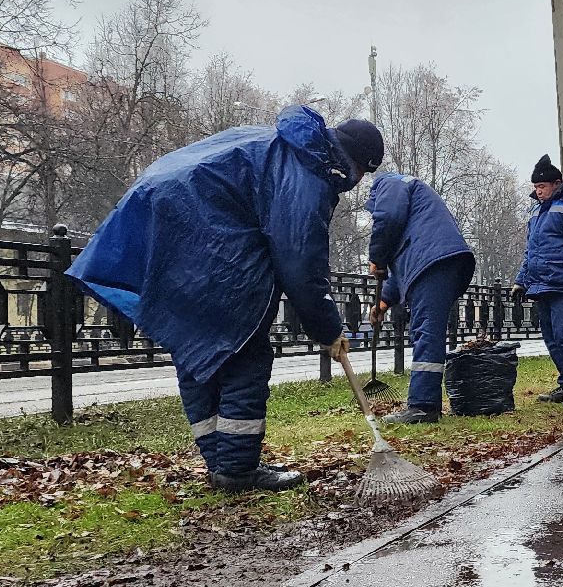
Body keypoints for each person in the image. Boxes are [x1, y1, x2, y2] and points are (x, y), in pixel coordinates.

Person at [69, 106, 383, 493]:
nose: (357, 182)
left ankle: (222, 463)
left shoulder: (275, 143)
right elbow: (300, 259)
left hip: (168, 236)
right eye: (363, 174)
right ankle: (236, 469)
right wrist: (328, 328)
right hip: (212, 249)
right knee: (244, 357)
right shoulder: (308, 170)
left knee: (198, 354)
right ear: (356, 164)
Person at [365, 172, 475, 424]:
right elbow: (403, 270)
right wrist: (382, 303)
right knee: (425, 331)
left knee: (426, 332)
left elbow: (387, 217)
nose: (373, 215)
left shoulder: (388, 183)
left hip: (435, 263)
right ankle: (426, 404)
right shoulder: (414, 223)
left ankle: (422, 406)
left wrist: (377, 257)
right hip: (435, 263)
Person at [511, 155, 563, 407]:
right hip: (542, 284)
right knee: (551, 337)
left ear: (556, 184)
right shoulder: (537, 212)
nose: (538, 192)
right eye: (535, 188)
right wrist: (521, 280)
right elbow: (532, 251)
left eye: (542, 187)